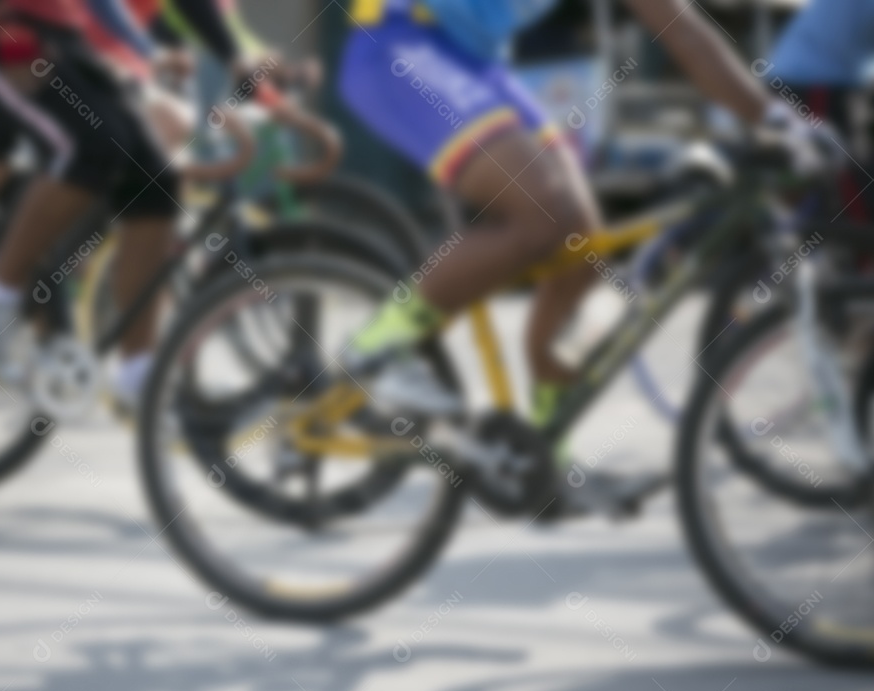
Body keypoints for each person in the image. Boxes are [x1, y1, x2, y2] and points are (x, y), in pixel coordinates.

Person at [338, 0, 827, 424]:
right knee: (543, 211)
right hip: (400, 43)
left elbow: (681, 30)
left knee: (583, 246)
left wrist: (777, 119)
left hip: (475, 61)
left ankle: (546, 434)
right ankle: (376, 349)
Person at [0, 0, 257, 409]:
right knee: (86, 147)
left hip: (58, 26)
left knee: (155, 177)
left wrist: (144, 54)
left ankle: (138, 373)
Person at [767, 0, 874, 222]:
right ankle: (862, 251)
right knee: (847, 176)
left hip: (827, 80)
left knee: (833, 175)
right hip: (813, 82)